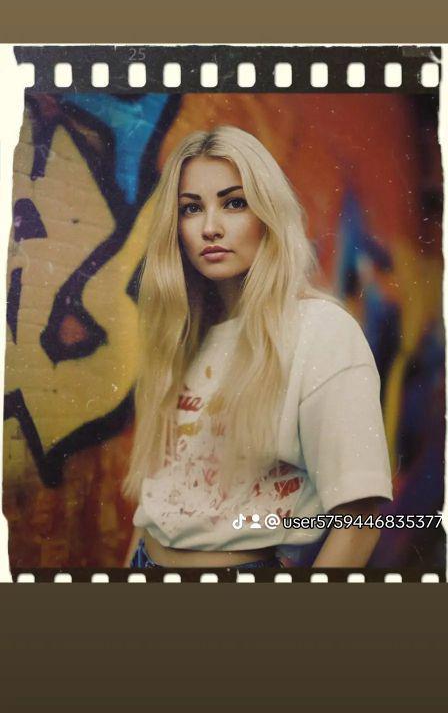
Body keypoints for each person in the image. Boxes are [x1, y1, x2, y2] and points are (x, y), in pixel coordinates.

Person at [122, 125, 393, 570]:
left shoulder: (320, 331)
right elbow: (160, 496)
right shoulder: (180, 334)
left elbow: (360, 519)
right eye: (191, 208)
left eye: (234, 203)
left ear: (268, 213)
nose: (210, 228)